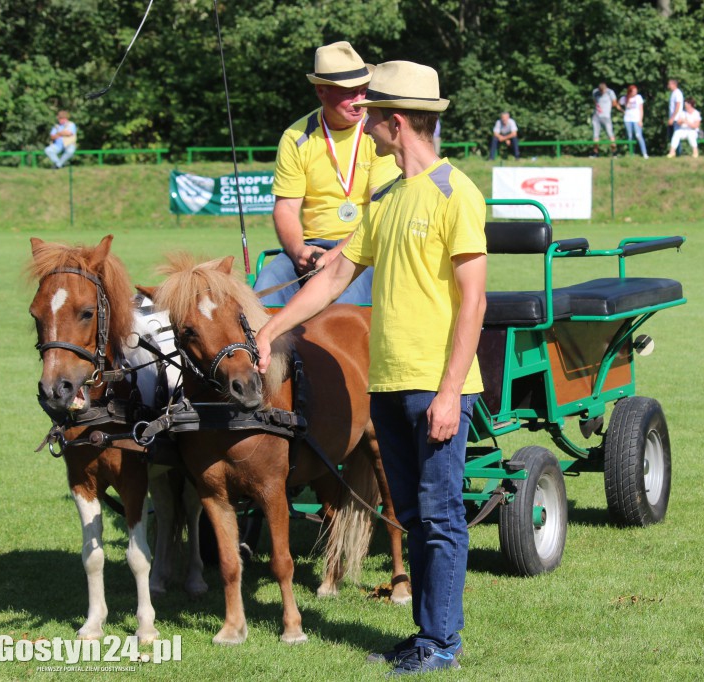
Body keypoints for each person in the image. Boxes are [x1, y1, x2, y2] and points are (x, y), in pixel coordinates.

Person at [254, 60, 486, 676]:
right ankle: (426, 636)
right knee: (410, 515)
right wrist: (270, 327)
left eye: (374, 110)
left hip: (436, 387)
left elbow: (474, 302)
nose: (366, 118)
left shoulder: (455, 192)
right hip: (386, 383)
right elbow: (333, 275)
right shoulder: (386, 200)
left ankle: (442, 643)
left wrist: (449, 391)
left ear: (396, 120)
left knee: (439, 517)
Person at [254, 41, 398, 307]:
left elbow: (380, 209)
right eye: (348, 93)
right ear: (321, 91)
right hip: (311, 246)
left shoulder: (378, 132)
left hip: (366, 247)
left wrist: (340, 253)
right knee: (263, 293)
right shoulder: (295, 137)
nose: (359, 101)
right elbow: (285, 208)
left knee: (341, 308)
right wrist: (299, 252)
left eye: (363, 91)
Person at [591, 82, 622, 156]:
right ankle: (595, 152)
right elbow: (594, 101)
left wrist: (607, 107)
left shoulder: (610, 92)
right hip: (596, 116)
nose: (601, 92)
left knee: (610, 134)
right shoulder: (595, 92)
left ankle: (614, 152)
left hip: (606, 116)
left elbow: (614, 103)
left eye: (603, 91)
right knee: (595, 135)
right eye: (600, 91)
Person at [619, 85, 648, 159]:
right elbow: (617, 104)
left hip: (636, 119)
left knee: (638, 135)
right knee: (630, 137)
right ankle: (631, 153)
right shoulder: (625, 98)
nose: (635, 92)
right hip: (627, 119)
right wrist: (623, 111)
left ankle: (644, 153)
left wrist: (640, 120)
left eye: (636, 91)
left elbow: (641, 109)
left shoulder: (638, 98)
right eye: (633, 91)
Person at [666, 78, 684, 156]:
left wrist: (672, 118)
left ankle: (678, 153)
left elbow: (678, 106)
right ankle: (675, 152)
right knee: (673, 135)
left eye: (669, 84)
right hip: (674, 118)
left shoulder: (677, 93)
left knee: (676, 135)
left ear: (674, 84)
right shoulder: (673, 93)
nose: (668, 86)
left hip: (676, 118)